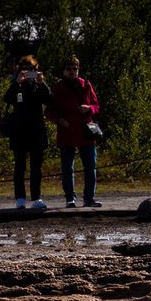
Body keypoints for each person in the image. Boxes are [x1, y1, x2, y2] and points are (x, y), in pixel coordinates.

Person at [48, 55, 102, 208]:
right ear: (64, 71)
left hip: (86, 132)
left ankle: (89, 198)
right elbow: (49, 112)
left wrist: (89, 108)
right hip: (67, 132)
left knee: (90, 166)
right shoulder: (57, 88)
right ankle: (70, 198)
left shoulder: (86, 85)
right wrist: (60, 121)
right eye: (69, 69)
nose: (72, 71)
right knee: (67, 168)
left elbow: (96, 106)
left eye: (75, 68)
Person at [0, 54, 52, 210]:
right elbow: (7, 98)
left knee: (36, 167)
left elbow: (49, 99)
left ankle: (36, 197)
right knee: (19, 167)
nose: (28, 72)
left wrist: (42, 83)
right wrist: (17, 82)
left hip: (36, 132)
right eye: (24, 69)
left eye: (31, 69)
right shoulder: (16, 85)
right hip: (19, 132)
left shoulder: (38, 86)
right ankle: (20, 198)